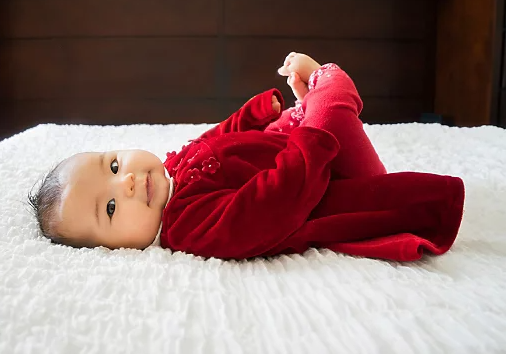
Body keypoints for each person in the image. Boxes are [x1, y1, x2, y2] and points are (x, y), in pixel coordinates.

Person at [28, 52, 465, 261]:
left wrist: (253, 115)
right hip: (334, 181)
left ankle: (300, 114)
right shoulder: (189, 228)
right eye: (109, 208)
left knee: (287, 126)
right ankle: (327, 89)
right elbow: (272, 204)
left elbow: (216, 141)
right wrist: (311, 136)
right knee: (328, 109)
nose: (124, 183)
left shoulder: (172, 169)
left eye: (113, 165)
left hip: (294, 154)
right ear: (114, 249)